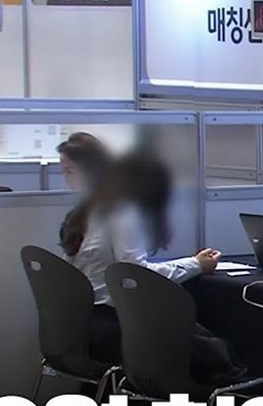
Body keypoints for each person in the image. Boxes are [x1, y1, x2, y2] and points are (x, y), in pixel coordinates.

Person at [61, 152, 228, 376]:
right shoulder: (122, 212)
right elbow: (136, 274)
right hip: (114, 328)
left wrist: (193, 263)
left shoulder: (90, 212)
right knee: (209, 352)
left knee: (198, 341)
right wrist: (196, 265)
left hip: (89, 325)